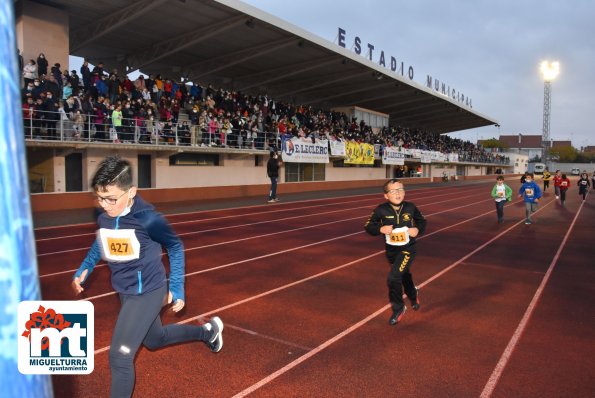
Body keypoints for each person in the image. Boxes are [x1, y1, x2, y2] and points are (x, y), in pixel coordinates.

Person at [71, 156, 223, 398]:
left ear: (131, 192)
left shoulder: (147, 219)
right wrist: (84, 269)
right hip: (125, 291)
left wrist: (176, 286)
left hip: (149, 291)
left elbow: (174, 246)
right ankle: (208, 332)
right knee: (154, 339)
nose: (105, 205)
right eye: (99, 198)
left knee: (120, 358)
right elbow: (101, 242)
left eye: (111, 199)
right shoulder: (104, 216)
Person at [364, 179, 426, 326]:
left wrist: (417, 229)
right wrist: (380, 229)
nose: (397, 193)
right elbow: (368, 226)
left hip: (408, 249)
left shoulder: (410, 207)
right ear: (386, 195)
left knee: (393, 278)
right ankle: (413, 293)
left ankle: (398, 308)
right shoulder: (381, 210)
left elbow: (422, 221)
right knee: (404, 275)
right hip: (391, 250)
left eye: (400, 189)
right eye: (393, 191)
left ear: (404, 192)